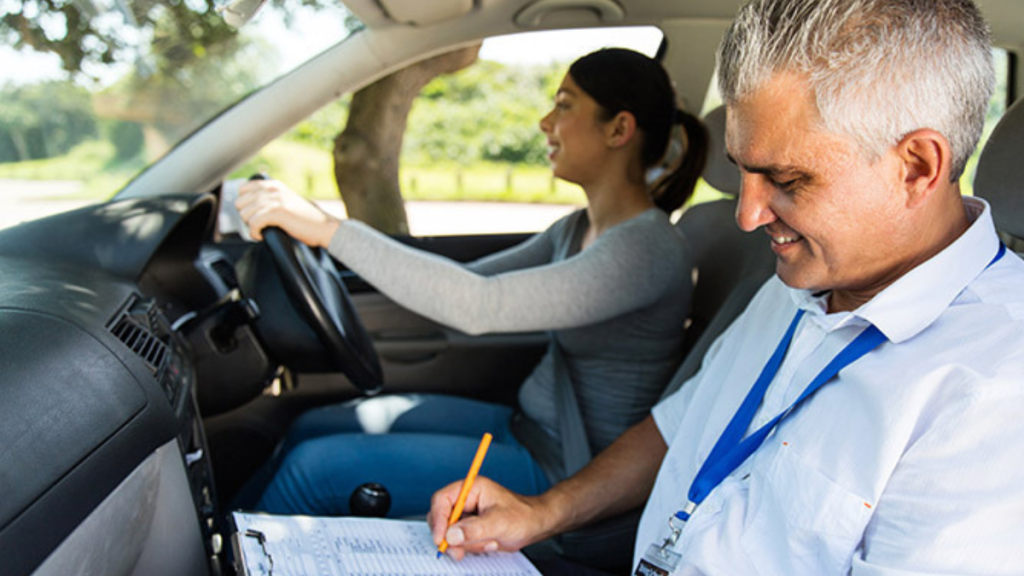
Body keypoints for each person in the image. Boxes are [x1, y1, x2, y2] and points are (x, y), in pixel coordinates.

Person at [426, 0, 1024, 574]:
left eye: (788, 180)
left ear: (916, 167)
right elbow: (679, 423)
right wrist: (541, 512)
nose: (748, 216)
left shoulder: (996, 391)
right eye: (743, 172)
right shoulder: (802, 281)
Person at [234, 48, 709, 517]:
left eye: (564, 105)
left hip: (569, 473)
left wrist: (328, 229)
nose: (546, 122)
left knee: (311, 471)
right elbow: (465, 283)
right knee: (310, 427)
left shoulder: (645, 249)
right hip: (522, 427)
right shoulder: (575, 228)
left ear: (619, 129)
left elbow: (480, 307)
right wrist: (332, 246)